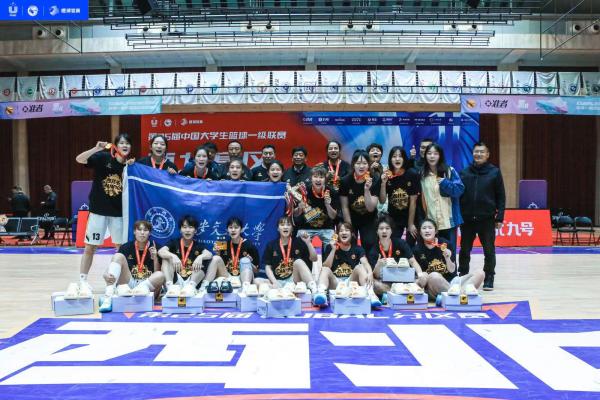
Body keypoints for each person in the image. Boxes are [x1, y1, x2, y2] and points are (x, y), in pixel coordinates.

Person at [75, 134, 133, 295]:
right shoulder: (103, 158)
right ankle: (83, 281)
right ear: (115, 146)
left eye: (128, 143)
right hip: (98, 211)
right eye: (122, 143)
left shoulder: (131, 166)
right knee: (90, 247)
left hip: (118, 214)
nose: (125, 145)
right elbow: (79, 159)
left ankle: (119, 282)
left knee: (121, 249)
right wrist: (96, 148)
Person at [459, 142, 506, 291]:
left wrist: (500, 217)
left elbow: (501, 196)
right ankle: (462, 276)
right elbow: (459, 195)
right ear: (472, 153)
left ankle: (489, 277)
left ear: (487, 155)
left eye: (481, 152)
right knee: (464, 250)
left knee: (489, 250)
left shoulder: (495, 172)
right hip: (467, 219)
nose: (478, 154)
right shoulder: (464, 172)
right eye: (476, 152)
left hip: (487, 219)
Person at [98, 220, 164, 312]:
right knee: (118, 256)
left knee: (161, 275)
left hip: (147, 285)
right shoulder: (126, 247)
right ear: (134, 232)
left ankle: (131, 292)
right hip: (129, 282)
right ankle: (108, 297)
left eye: (145, 230)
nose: (142, 233)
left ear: (149, 233)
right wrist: (106, 273)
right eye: (139, 230)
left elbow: (157, 274)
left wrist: (155, 258)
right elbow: (115, 263)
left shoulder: (157, 247)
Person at [413, 218, 483, 298]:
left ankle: (456, 295)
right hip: (434, 284)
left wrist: (447, 258)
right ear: (420, 232)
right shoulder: (416, 250)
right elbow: (420, 278)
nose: (427, 230)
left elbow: (452, 270)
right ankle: (461, 296)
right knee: (434, 276)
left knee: (480, 273)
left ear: (436, 231)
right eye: (424, 228)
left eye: (430, 228)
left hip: (453, 282)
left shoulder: (445, 244)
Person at [315, 222, 381, 307]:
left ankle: (371, 295)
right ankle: (321, 295)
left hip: (351, 282)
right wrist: (333, 250)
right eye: (341, 231)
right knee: (325, 269)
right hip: (335, 283)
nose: (344, 233)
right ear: (337, 235)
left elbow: (365, 262)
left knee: (360, 267)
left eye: (347, 230)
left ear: (352, 234)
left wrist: (370, 272)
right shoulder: (329, 247)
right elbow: (326, 266)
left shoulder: (358, 249)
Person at [419, 143, 464, 260]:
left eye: (435, 153)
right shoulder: (422, 174)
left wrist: (445, 183)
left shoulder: (449, 171)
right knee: (432, 254)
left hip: (449, 221)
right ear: (425, 155)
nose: (432, 156)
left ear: (440, 156)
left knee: (450, 254)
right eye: (429, 153)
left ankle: (452, 271)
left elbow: (459, 190)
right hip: (431, 222)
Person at [368, 215, 427, 297]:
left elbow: (412, 261)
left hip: (404, 281)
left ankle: (396, 293)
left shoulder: (401, 243)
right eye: (381, 229)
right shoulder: (373, 250)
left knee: (424, 275)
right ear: (377, 231)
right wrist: (378, 265)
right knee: (373, 283)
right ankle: (402, 292)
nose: (384, 231)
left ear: (391, 231)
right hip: (385, 283)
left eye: (387, 228)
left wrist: (420, 275)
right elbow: (376, 276)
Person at [158, 215, 215, 296]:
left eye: (190, 227)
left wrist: (200, 257)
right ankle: (169, 288)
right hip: (176, 281)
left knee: (203, 261)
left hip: (192, 280)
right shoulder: (174, 242)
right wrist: (173, 256)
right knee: (166, 259)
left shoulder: (198, 245)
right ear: (180, 230)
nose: (187, 230)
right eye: (184, 227)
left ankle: (191, 287)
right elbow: (161, 251)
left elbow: (209, 254)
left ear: (195, 230)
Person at [339, 150, 381, 254]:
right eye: (358, 163)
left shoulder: (375, 179)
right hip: (351, 218)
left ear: (369, 165)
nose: (361, 166)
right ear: (353, 164)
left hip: (369, 219)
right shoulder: (345, 181)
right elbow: (344, 207)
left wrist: (366, 190)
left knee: (369, 244)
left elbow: (371, 208)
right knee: (351, 245)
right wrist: (349, 228)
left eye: (364, 163)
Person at [263, 216, 318, 293]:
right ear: (278, 228)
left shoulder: (299, 242)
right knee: (257, 281)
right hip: (279, 281)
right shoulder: (271, 245)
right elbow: (268, 267)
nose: (285, 227)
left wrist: (308, 243)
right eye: (282, 225)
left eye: (288, 225)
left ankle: (314, 289)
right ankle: (280, 289)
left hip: (295, 280)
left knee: (298, 262)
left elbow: (314, 258)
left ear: (292, 228)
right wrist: (275, 282)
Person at [379, 146, 419, 240]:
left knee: (410, 244)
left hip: (411, 216)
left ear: (404, 159)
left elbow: (413, 201)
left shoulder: (412, 174)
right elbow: (382, 200)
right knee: (393, 243)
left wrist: (410, 224)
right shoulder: (387, 175)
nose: (397, 159)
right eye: (394, 156)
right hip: (394, 218)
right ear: (390, 159)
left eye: (400, 156)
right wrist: (383, 184)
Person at [293, 166, 339, 249]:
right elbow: (295, 214)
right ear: (311, 178)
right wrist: (299, 208)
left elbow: (333, 216)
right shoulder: (304, 191)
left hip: (327, 228)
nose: (318, 180)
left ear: (325, 179)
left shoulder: (332, 192)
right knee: (298, 246)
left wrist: (327, 205)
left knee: (333, 246)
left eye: (321, 177)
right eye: (315, 177)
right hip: (305, 228)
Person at [206, 217, 261, 286]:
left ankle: (246, 287)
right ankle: (205, 285)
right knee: (215, 258)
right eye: (230, 227)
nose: (233, 230)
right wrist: (218, 254)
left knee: (245, 260)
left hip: (244, 277)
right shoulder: (223, 245)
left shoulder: (249, 245)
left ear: (241, 230)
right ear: (227, 230)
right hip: (228, 277)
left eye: (236, 227)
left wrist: (249, 263)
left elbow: (256, 271)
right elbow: (220, 267)